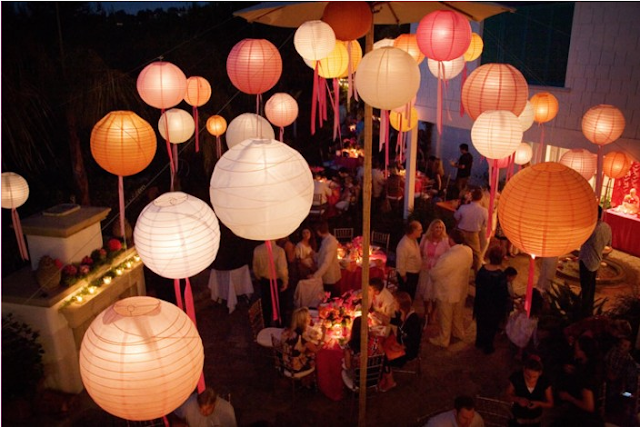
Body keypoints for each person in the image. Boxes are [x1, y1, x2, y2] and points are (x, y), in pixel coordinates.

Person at [429, 228, 473, 348]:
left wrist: (431, 270)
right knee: (458, 315)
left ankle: (444, 340)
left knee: (445, 318)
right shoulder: (468, 251)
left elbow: (436, 274)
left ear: (451, 240)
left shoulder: (448, 257)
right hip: (461, 289)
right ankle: (458, 333)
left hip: (447, 292)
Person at [553, 335, 605, 427]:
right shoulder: (590, 364)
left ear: (583, 352)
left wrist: (568, 397)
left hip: (585, 418)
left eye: (576, 348)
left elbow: (589, 407)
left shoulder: (587, 376)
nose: (574, 349)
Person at [380, 291, 423, 392]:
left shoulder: (413, 320)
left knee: (382, 356)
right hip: (400, 342)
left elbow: (414, 341)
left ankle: (390, 382)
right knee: (381, 345)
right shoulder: (402, 313)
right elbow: (399, 323)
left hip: (408, 350)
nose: (392, 304)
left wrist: (400, 347)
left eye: (394, 302)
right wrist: (386, 319)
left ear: (400, 304)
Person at [473, 246, 510, 354]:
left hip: (481, 303)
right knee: (491, 327)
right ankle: (488, 346)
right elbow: (502, 294)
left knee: (480, 324)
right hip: (494, 307)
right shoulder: (501, 276)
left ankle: (479, 341)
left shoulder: (481, 271)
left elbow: (478, 286)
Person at [578, 205, 612, 319]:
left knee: (586, 289)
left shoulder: (590, 229)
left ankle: (584, 315)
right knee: (591, 287)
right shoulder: (606, 227)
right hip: (597, 260)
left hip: (586, 261)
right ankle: (588, 312)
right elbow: (608, 245)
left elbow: (579, 239)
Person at [416, 219, 451, 326]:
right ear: (432, 228)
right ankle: (426, 310)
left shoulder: (445, 240)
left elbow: (449, 254)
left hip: (438, 269)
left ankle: (433, 313)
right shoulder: (425, 239)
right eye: (437, 227)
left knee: (435, 293)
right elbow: (420, 251)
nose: (439, 229)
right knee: (425, 292)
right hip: (426, 268)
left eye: (441, 227)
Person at [506, 356, 554, 427]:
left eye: (534, 377)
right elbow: (507, 395)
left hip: (535, 419)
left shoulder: (544, 382)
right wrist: (518, 399)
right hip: (518, 418)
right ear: (524, 369)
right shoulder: (516, 378)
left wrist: (538, 403)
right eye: (527, 375)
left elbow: (550, 403)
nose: (531, 379)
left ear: (540, 373)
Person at [253, 240, 288, 327]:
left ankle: (266, 327)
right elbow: (282, 270)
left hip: (264, 281)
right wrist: (285, 281)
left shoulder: (257, 249)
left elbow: (255, 268)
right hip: (276, 281)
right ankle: (279, 328)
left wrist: (259, 277)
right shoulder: (279, 251)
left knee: (266, 307)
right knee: (280, 307)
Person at [454, 187, 488, 273]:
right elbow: (485, 224)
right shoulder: (483, 211)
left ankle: (457, 270)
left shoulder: (463, 208)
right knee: (477, 254)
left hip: (461, 231)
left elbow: (456, 217)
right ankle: (477, 274)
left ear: (471, 197)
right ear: (481, 198)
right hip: (473, 233)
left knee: (459, 251)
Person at [342, 316, 384, 384]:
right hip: (374, 376)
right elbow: (382, 355)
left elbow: (348, 366)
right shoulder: (374, 341)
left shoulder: (349, 346)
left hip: (358, 379)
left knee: (343, 368)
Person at [280, 307, 321, 376]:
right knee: (318, 356)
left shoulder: (288, 330)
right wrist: (323, 337)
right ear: (304, 320)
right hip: (295, 367)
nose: (310, 317)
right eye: (308, 316)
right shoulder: (303, 337)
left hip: (286, 362)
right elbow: (316, 350)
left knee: (308, 350)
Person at [171, 387, 237, 427]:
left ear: (214, 403)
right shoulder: (188, 405)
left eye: (208, 409)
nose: (204, 413)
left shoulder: (227, 410)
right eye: (201, 409)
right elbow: (174, 415)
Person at [312, 221, 341, 297]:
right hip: (326, 275)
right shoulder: (326, 240)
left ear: (318, 232)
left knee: (330, 298)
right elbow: (322, 255)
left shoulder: (330, 241)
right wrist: (314, 255)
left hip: (330, 276)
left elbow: (326, 262)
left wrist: (315, 275)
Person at [396, 220, 423, 300]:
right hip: (407, 275)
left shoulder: (414, 240)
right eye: (420, 230)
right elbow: (401, 261)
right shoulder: (404, 244)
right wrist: (403, 276)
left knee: (411, 296)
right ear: (414, 231)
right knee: (405, 297)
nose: (421, 232)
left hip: (414, 273)